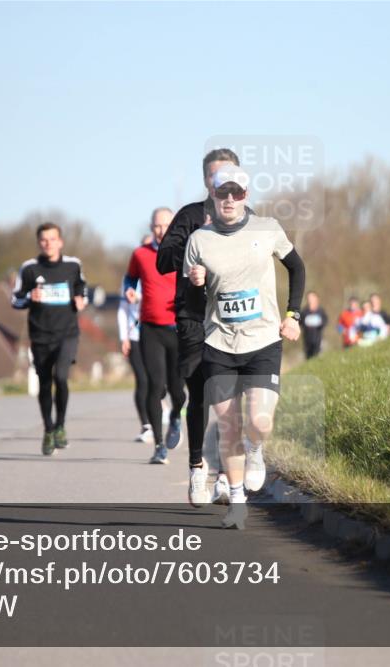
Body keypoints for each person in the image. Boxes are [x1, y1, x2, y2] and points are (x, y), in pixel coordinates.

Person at [185, 163, 305, 529]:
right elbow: (190, 306)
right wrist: (194, 283)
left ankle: (256, 450)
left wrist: (293, 315)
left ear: (246, 196)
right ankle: (236, 498)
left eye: (237, 192)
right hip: (219, 343)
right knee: (227, 424)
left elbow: (297, 268)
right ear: (214, 196)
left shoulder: (267, 229)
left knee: (259, 420)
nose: (230, 199)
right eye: (223, 193)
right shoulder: (199, 241)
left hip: (264, 340)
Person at [156, 149, 247, 506]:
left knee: (230, 399)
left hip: (233, 319)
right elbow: (164, 259)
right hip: (194, 318)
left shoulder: (248, 219)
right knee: (200, 396)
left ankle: (226, 475)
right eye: (213, 176)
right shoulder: (191, 215)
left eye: (226, 175)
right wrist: (195, 253)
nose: (220, 183)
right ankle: (197, 470)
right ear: (206, 180)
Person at [12, 222, 87, 455]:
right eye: (44, 240)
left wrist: (81, 299)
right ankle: (48, 429)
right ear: (39, 243)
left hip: (67, 333)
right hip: (41, 335)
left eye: (52, 239)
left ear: (60, 241)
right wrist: (29, 296)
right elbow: (16, 300)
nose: (48, 243)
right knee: (45, 383)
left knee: (61, 377)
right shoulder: (29, 269)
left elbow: (82, 288)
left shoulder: (73, 265)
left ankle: (61, 426)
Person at [124, 208, 184, 464]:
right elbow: (130, 278)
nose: (161, 230)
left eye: (166, 225)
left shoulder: (186, 251)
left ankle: (176, 416)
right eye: (157, 226)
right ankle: (159, 446)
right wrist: (128, 290)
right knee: (154, 386)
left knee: (178, 390)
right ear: (151, 228)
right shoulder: (140, 254)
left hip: (179, 329)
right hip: (150, 329)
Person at [117, 237, 152, 443]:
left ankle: (160, 408)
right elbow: (122, 310)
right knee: (142, 380)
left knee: (159, 382)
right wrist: (124, 338)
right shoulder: (129, 279)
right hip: (135, 335)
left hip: (157, 333)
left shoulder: (164, 271)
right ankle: (146, 425)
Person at [300, 291, 327, 359]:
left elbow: (325, 321)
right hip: (307, 338)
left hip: (318, 337)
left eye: (312, 298)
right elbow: (300, 322)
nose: (310, 300)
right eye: (309, 298)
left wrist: (320, 324)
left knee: (317, 355)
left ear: (316, 299)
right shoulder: (304, 311)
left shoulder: (321, 311)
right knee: (308, 356)